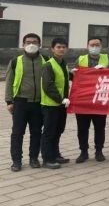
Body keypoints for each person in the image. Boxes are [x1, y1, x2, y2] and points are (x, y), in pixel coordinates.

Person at [5, 33, 47, 172]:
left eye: (34, 42)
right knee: (17, 133)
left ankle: (33, 158)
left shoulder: (46, 60)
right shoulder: (15, 61)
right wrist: (9, 101)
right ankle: (16, 161)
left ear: (40, 45)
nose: (31, 44)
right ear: (23, 44)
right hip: (20, 103)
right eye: (28, 42)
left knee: (36, 132)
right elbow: (9, 82)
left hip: (39, 103)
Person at [74, 37, 109, 163]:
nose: (94, 47)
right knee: (82, 128)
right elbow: (74, 78)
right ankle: (83, 152)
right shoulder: (80, 59)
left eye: (97, 45)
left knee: (99, 127)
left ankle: (99, 151)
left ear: (101, 46)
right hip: (83, 100)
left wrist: (106, 71)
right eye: (92, 45)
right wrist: (72, 74)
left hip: (100, 99)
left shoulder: (107, 59)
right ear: (87, 46)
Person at [41, 37, 72, 169]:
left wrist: (76, 74)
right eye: (58, 47)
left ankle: (55, 154)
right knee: (49, 132)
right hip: (50, 105)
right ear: (52, 49)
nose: (61, 49)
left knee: (58, 130)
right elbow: (48, 86)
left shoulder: (63, 63)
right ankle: (47, 159)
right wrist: (60, 99)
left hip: (61, 105)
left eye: (64, 47)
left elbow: (64, 78)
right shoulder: (49, 65)